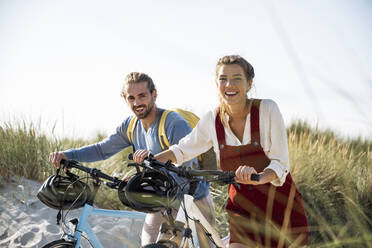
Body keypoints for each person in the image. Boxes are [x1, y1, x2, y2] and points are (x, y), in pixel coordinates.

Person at [133, 55, 310, 248]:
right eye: (223, 78)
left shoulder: (267, 110)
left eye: (237, 78)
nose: (229, 84)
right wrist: (150, 160)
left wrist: (258, 176)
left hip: (281, 207)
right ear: (216, 83)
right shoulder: (212, 119)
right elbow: (182, 150)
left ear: (249, 83)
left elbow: (280, 163)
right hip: (243, 210)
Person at [49, 72, 215, 247]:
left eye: (142, 96)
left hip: (191, 200)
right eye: (131, 98)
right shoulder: (131, 126)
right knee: (148, 242)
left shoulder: (173, 123)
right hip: (160, 199)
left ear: (154, 94)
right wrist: (68, 155)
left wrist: (146, 174)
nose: (137, 103)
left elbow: (187, 165)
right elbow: (102, 149)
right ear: (125, 99)